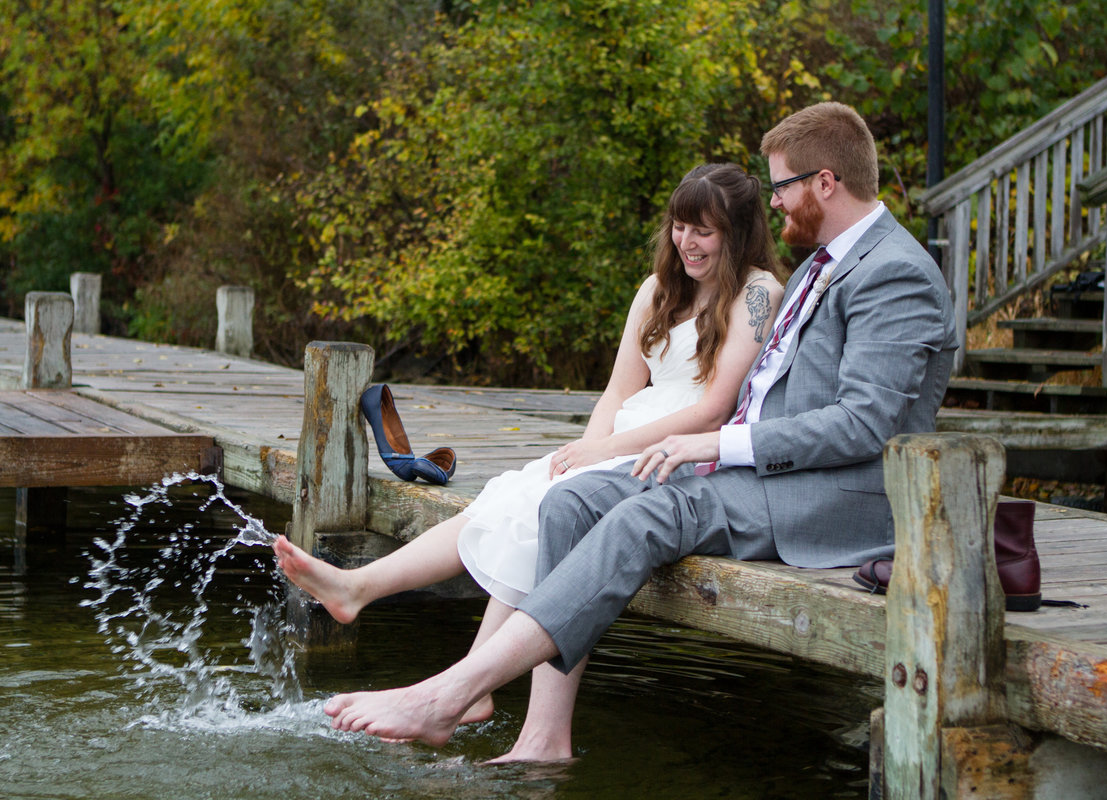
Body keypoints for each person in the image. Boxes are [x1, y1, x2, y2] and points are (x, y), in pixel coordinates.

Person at [318, 101, 959, 751]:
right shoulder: (823, 263)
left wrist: (715, 441)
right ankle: (543, 739)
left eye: (782, 187)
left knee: (638, 519)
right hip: (753, 466)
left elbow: (863, 424)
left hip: (828, 497)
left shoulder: (894, 273)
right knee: (570, 500)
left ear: (825, 182)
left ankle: (446, 694)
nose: (776, 204)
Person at [273, 162, 785, 759]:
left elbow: (713, 410)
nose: (687, 243)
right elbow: (619, 393)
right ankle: (364, 593)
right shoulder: (656, 289)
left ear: (740, 231)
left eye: (705, 230)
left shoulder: (758, 293)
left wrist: (604, 454)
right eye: (679, 226)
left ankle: (449, 668)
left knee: (541, 506)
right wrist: (584, 452)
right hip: (621, 441)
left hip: (678, 456)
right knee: (515, 493)